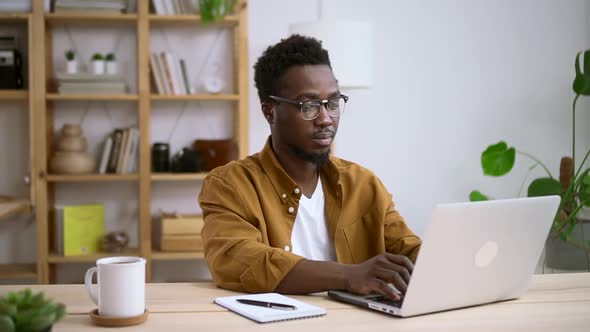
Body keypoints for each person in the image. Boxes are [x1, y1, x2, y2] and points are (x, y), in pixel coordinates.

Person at [198, 34, 421, 301]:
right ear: (269, 112)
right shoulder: (231, 184)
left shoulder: (363, 184)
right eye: (310, 105)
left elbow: (409, 251)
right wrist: (349, 276)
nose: (326, 119)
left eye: (333, 103)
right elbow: (236, 259)